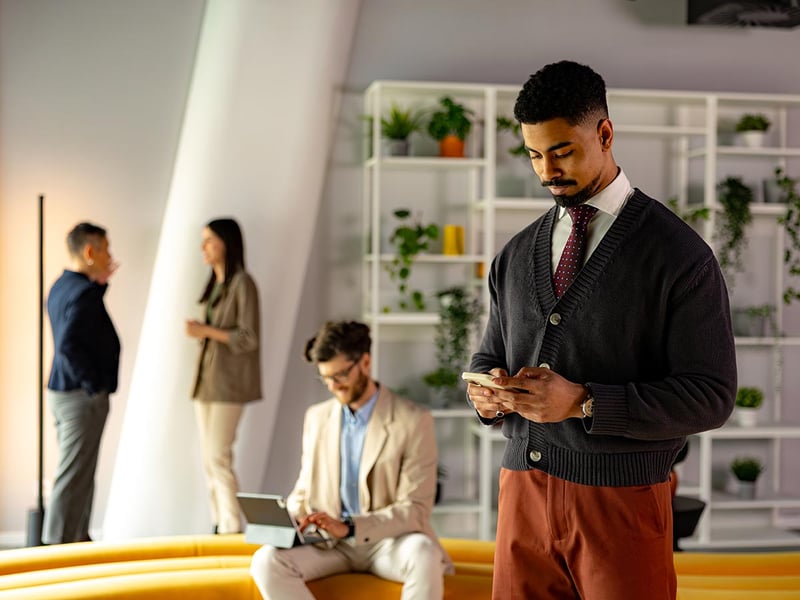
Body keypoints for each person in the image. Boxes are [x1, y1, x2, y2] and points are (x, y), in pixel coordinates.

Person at [466, 60, 737, 600]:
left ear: (605, 134)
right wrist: (486, 393)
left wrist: (585, 402)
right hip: (522, 490)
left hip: (622, 500)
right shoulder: (515, 254)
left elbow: (711, 397)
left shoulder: (679, 256)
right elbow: (488, 354)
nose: (546, 171)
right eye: (534, 155)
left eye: (561, 151)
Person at [249, 320, 453, 599]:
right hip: (330, 545)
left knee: (424, 553)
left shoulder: (414, 421)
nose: (334, 385)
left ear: (365, 362)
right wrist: (294, 516)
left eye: (341, 375)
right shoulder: (316, 418)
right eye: (326, 378)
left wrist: (351, 527)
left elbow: (416, 509)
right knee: (266, 560)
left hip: (388, 542)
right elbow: (304, 487)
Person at [43, 222, 120, 544]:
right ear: (90, 252)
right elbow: (69, 345)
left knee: (79, 473)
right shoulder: (83, 292)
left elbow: (79, 324)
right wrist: (94, 386)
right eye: (105, 248)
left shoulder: (63, 285)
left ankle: (75, 541)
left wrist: (100, 285)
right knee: (74, 475)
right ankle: (55, 548)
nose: (110, 255)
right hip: (79, 397)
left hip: (64, 393)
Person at [186, 217, 262, 535]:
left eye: (209, 240)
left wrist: (207, 331)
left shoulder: (243, 283)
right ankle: (220, 522)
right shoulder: (217, 284)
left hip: (229, 385)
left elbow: (248, 337)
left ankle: (231, 528)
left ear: (226, 243)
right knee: (209, 460)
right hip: (206, 383)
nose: (203, 247)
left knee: (219, 456)